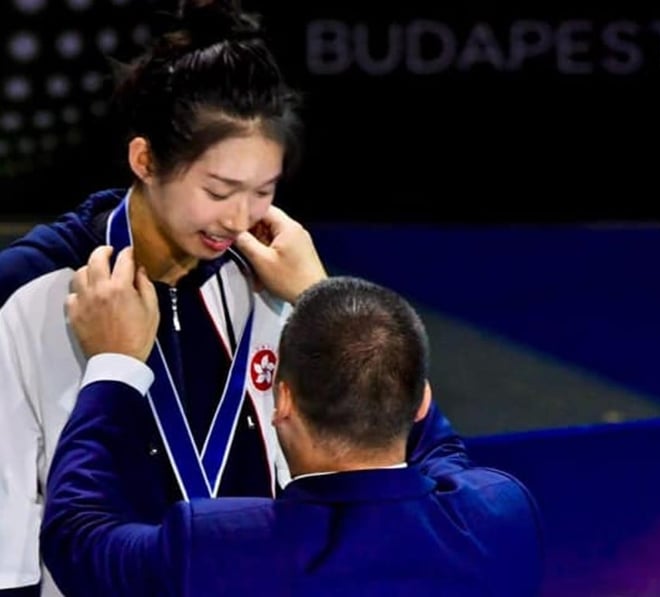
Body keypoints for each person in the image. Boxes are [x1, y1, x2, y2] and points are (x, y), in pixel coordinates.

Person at [0, 1, 325, 595]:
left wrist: (320, 303)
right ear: (145, 160)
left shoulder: (274, 278)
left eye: (263, 191)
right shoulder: (28, 290)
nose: (239, 218)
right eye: (218, 191)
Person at [40, 259, 544, 596]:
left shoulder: (217, 546)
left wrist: (114, 364)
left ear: (281, 401)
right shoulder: (502, 515)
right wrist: (328, 302)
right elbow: (442, 453)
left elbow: (76, 536)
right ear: (421, 403)